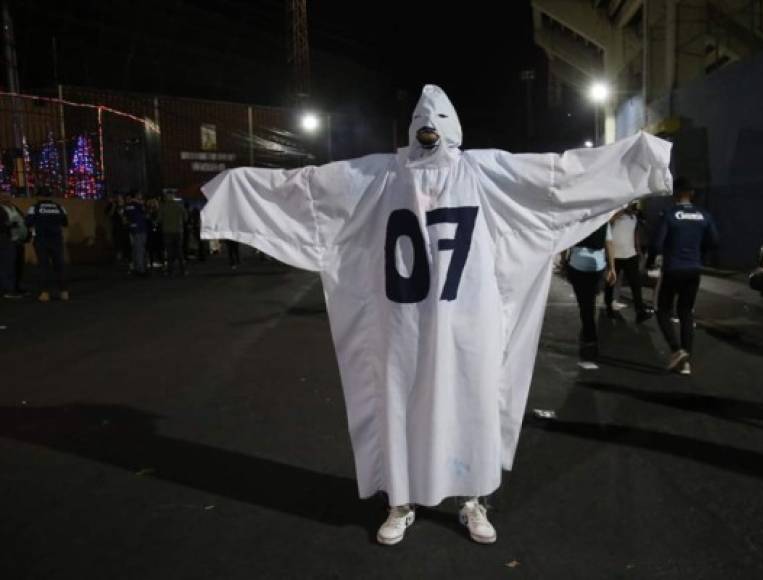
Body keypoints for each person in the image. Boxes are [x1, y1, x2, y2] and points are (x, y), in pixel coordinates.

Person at [200, 84, 672, 545]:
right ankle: (400, 501)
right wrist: (237, 188)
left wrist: (639, 159)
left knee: (474, 403)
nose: (429, 129)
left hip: (469, 322)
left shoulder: (484, 172)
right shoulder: (380, 176)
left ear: (454, 128)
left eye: (438, 121)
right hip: (400, 323)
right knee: (399, 403)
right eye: (421, 122)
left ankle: (472, 498)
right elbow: (307, 190)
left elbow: (559, 175)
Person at [654, 177, 719, 375]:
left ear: (675, 193)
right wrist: (698, 252)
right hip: (693, 269)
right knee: (685, 312)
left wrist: (650, 261)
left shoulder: (670, 214)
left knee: (662, 309)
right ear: (691, 193)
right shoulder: (704, 215)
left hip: (673, 268)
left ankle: (676, 350)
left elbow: (657, 243)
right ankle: (686, 361)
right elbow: (714, 240)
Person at [565, 223, 616, 364]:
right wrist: (612, 267)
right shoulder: (604, 220)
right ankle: (588, 334)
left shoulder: (578, 218)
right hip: (598, 264)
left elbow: (566, 241)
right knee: (589, 301)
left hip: (577, 262)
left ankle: (590, 339)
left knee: (584, 304)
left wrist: (564, 261)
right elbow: (609, 243)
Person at [604, 203, 653, 323]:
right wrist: (618, 213)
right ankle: (609, 308)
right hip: (614, 255)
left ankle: (640, 312)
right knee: (611, 282)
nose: (631, 206)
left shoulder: (634, 217)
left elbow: (635, 235)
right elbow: (607, 226)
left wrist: (639, 251)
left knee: (635, 284)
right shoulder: (613, 215)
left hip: (630, 254)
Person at [25, 188, 69, 302]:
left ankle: (45, 293)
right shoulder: (59, 207)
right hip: (56, 240)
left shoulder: (34, 208)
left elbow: (28, 222)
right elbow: (65, 222)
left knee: (43, 266)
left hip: (41, 240)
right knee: (59, 265)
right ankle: (64, 292)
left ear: (39, 196)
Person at [1, 192, 29, 297]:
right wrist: (9, 225)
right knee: (7, 266)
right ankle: (8, 290)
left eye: (7, 197)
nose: (6, 199)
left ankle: (17, 287)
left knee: (18, 265)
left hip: (18, 240)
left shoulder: (14, 208)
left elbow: (23, 219)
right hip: (6, 241)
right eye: (3, 197)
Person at [157, 191, 188, 276]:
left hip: (167, 232)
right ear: (173, 196)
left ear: (166, 197)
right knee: (179, 251)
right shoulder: (179, 206)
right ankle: (183, 270)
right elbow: (186, 217)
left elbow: (159, 219)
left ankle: (170, 271)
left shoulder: (163, 207)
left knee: (169, 251)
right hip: (178, 231)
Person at [124, 192, 149, 276]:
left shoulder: (127, 206)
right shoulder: (137, 205)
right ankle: (141, 270)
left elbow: (126, 217)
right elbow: (145, 212)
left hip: (132, 230)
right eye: (139, 195)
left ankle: (136, 268)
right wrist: (140, 203)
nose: (141, 197)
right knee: (140, 250)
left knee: (135, 250)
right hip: (140, 230)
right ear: (136, 196)